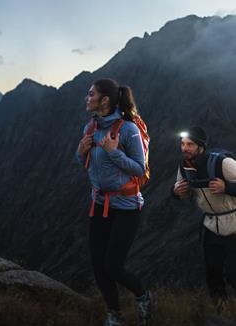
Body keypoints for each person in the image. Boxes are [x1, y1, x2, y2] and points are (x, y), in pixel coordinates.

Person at [76, 78, 155, 326]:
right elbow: (87, 164)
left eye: (91, 94)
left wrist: (113, 151)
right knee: (99, 265)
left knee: (112, 265)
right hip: (99, 204)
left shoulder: (128, 130)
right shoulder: (90, 128)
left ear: (105, 100)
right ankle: (114, 315)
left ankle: (143, 296)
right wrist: (80, 152)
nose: (87, 98)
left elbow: (139, 169)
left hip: (127, 207)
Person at [173, 126, 236, 313]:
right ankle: (222, 313)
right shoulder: (184, 168)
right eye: (183, 144)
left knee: (234, 276)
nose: (185, 148)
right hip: (211, 227)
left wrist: (227, 188)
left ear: (201, 147)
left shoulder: (222, 163)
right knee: (213, 275)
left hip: (234, 226)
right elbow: (181, 193)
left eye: (190, 144)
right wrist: (176, 192)